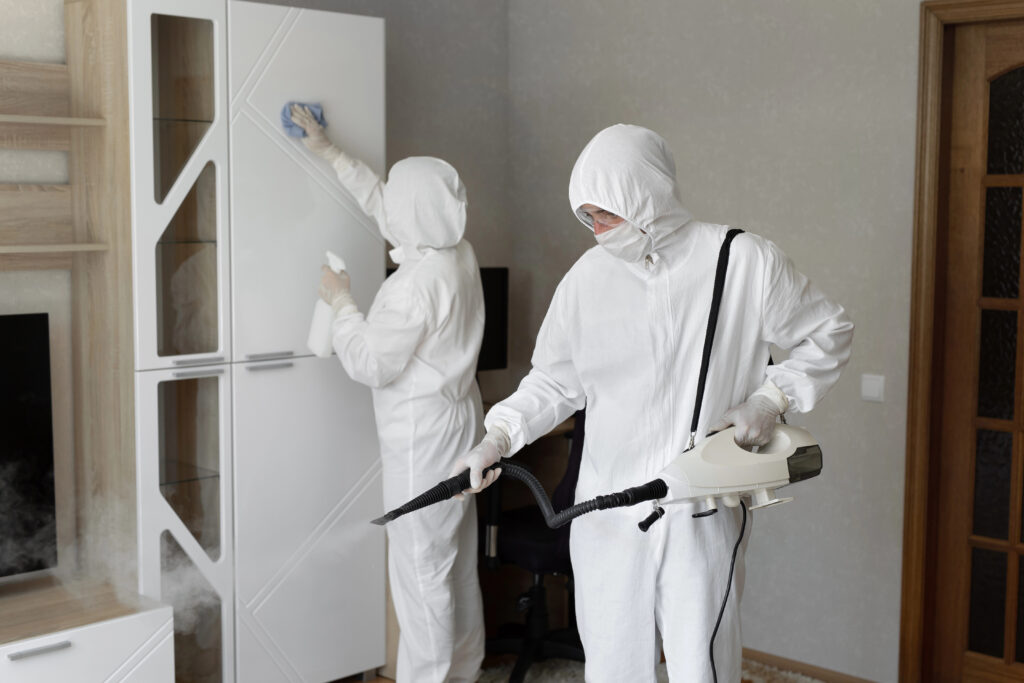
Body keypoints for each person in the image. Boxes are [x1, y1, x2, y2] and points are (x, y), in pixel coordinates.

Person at [451, 124, 853, 682]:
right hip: (607, 514)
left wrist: (771, 397)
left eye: (605, 213)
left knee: (702, 668)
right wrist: (499, 436)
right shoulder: (585, 281)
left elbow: (828, 332)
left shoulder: (742, 261)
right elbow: (553, 383)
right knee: (613, 669)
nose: (596, 230)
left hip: (702, 512)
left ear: (643, 195)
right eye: (586, 217)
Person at [291, 105, 489, 683]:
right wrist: (328, 151)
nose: (391, 205)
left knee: (422, 572)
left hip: (420, 443)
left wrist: (340, 301)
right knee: (455, 568)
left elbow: (371, 363)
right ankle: (464, 672)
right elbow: (387, 206)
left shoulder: (412, 287)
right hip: (460, 428)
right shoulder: (456, 252)